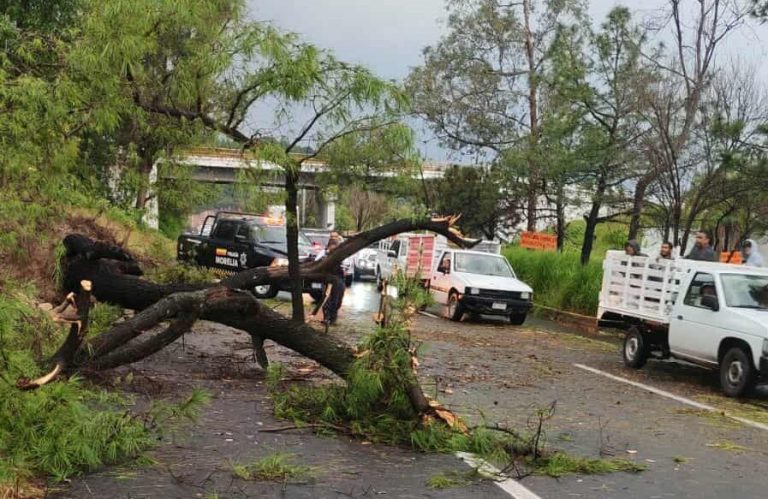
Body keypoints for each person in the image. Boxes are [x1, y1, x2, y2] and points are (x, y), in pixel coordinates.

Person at [321, 237, 345, 325]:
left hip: (339, 278)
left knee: (338, 300)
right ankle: (328, 317)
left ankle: (333, 318)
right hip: (329, 278)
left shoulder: (339, 255)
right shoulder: (325, 255)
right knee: (332, 300)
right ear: (329, 246)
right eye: (332, 246)